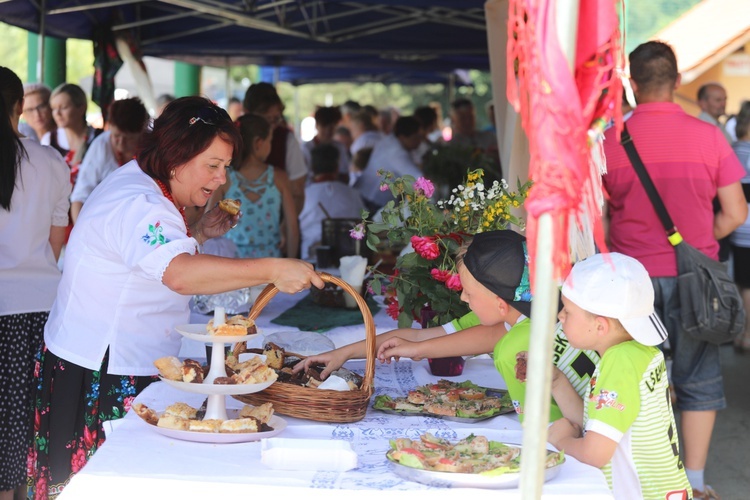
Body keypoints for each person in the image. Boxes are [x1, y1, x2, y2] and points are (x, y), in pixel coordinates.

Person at [28, 97, 324, 498]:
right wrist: (273, 267)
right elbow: (179, 275)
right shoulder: (143, 202)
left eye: (225, 167)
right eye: (213, 166)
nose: (221, 180)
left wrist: (198, 235)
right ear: (176, 156)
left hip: (95, 355)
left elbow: (145, 260)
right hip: (106, 364)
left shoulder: (143, 183)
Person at [602, 41, 747, 500]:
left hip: (629, 282)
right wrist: (700, 243)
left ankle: (643, 477)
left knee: (638, 376)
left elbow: (596, 219)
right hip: (695, 280)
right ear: (678, 80)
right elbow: (736, 213)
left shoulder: (611, 138)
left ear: (632, 83)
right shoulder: (710, 137)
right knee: (699, 378)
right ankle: (693, 485)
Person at [376, 230, 599, 423]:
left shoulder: (513, 351)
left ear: (501, 305)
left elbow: (545, 429)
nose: (463, 298)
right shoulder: (547, 310)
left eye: (469, 292)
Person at [549, 252, 690, 499]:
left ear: (600, 326)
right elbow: (601, 425)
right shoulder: (638, 352)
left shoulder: (619, 362)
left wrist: (561, 442)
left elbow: (594, 454)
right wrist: (557, 381)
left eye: (567, 311)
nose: (560, 317)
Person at [0, 67, 70, 500]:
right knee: (21, 420)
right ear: (19, 107)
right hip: (34, 312)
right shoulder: (48, 161)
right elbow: (57, 238)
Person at [208, 113, 299, 259]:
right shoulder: (279, 177)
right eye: (270, 141)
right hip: (271, 263)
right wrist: (293, 262)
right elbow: (292, 229)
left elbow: (210, 223)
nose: (271, 146)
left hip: (233, 262)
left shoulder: (225, 178)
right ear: (258, 143)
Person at [70, 97, 150, 223]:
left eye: (129, 138)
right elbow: (80, 196)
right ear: (110, 127)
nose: (121, 144)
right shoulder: (101, 145)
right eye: (116, 136)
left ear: (143, 132)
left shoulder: (151, 148)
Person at [243, 82, 307, 214]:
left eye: (276, 119)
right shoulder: (232, 138)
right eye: (266, 119)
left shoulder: (286, 139)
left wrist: (285, 227)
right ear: (248, 114)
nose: (271, 126)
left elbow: (298, 192)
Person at [298, 143, 365, 260]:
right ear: (337, 166)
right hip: (348, 260)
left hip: (310, 261)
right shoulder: (353, 194)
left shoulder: (303, 195)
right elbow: (364, 224)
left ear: (312, 168)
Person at [355, 116, 424, 211]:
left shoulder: (391, 141)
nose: (420, 142)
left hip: (368, 197)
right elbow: (418, 179)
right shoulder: (396, 152)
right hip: (373, 202)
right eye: (417, 138)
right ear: (403, 137)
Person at [41, 83, 100, 182]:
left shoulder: (99, 138)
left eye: (63, 107)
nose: (57, 114)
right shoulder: (49, 139)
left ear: (81, 108)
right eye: (54, 109)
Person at [729, 100, 750, 353]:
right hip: (746, 228)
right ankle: (747, 334)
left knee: (741, 282)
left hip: (737, 225)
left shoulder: (733, 150)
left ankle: (741, 332)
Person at [301, 106, 349, 181]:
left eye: (331, 127)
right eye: (324, 126)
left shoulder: (340, 147)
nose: (327, 131)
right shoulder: (306, 148)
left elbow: (344, 173)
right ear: (316, 125)